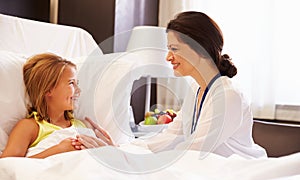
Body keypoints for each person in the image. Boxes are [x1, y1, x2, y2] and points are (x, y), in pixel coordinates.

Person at [75, 11, 267, 158]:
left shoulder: (227, 95)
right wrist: (120, 150)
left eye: (174, 49)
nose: (168, 57)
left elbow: (194, 151)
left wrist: (128, 158)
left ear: (200, 48)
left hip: (237, 174)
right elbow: (170, 136)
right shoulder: (196, 89)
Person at [0, 53, 113, 158]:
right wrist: (60, 149)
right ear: (48, 89)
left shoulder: (82, 125)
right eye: (71, 83)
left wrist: (110, 148)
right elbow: (7, 165)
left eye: (76, 84)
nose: (78, 90)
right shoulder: (30, 127)